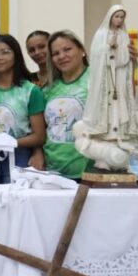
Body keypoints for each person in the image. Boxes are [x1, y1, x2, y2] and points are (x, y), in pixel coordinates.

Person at [0, 34, 45, 227]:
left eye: (5, 52)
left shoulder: (30, 91)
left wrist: (8, 142)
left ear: (16, 54)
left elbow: (39, 136)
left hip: (20, 161)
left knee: (17, 217)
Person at [74, 5, 138, 170]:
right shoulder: (101, 34)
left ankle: (119, 137)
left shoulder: (124, 35)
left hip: (119, 78)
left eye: (122, 17)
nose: (119, 20)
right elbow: (97, 57)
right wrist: (109, 48)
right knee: (107, 108)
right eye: (116, 16)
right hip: (105, 79)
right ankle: (105, 139)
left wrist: (129, 57)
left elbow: (124, 59)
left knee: (119, 108)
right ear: (110, 17)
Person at [36, 31, 91, 179]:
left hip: (89, 170)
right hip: (53, 170)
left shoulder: (96, 78)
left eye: (67, 49)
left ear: (82, 50)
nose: (61, 56)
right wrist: (37, 152)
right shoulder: (48, 89)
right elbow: (40, 130)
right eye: (55, 53)